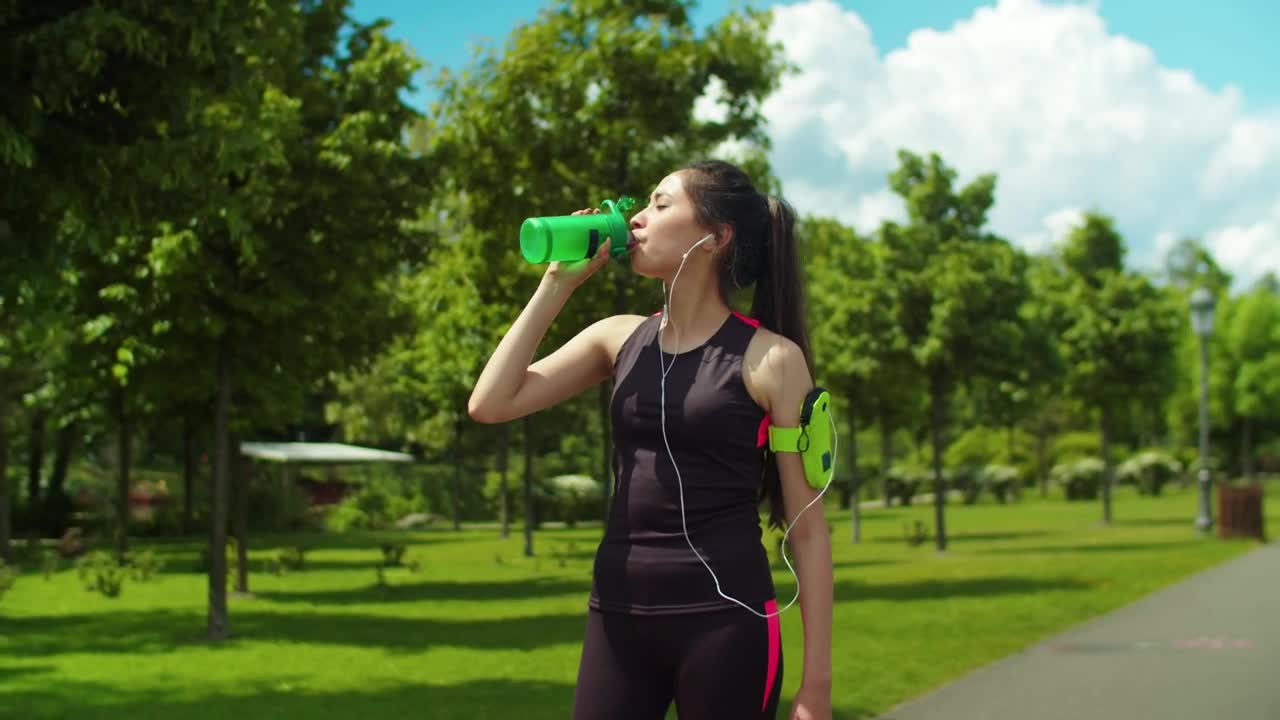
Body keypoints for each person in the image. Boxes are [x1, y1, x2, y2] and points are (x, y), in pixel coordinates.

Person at [468, 159, 833, 720]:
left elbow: (807, 533)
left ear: (715, 237)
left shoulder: (772, 361)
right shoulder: (614, 339)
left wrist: (816, 690)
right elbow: (489, 403)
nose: (636, 219)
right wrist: (556, 281)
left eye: (661, 205)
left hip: (726, 622)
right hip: (618, 616)